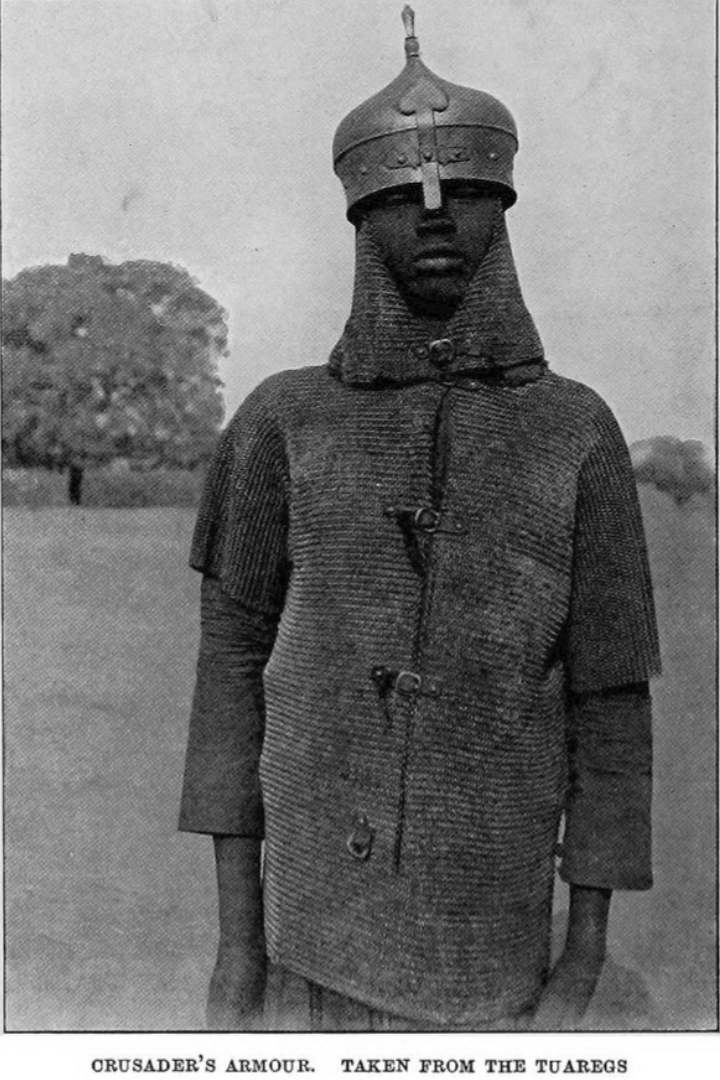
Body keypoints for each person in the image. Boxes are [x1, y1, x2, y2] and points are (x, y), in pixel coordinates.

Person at [179, 8, 660, 1032]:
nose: (435, 217)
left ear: (504, 210)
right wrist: (236, 952)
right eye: (402, 198)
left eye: (468, 192)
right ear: (359, 218)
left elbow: (612, 708)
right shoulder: (282, 420)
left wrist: (580, 964)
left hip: (489, 946)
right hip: (312, 939)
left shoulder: (574, 431)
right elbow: (229, 682)